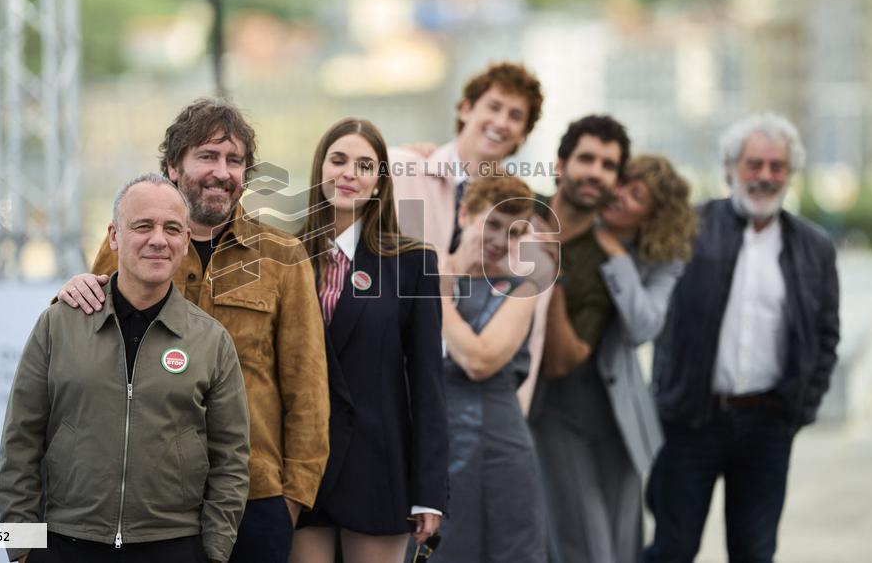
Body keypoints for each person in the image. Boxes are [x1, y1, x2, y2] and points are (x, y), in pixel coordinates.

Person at [56, 99, 330, 563]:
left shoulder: (283, 258)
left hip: (254, 500)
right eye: (207, 156)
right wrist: (73, 289)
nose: (222, 172)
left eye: (235, 160)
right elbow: (94, 354)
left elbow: (308, 393)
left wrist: (291, 501)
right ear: (173, 167)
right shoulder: (131, 243)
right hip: (153, 503)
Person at [0, 174, 251, 563]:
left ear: (185, 241)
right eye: (143, 226)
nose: (158, 240)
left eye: (171, 229)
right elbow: (21, 439)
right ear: (114, 235)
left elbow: (230, 459)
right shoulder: (59, 325)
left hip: (175, 546)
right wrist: (23, 549)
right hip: (68, 542)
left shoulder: (211, 342)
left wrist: (214, 553)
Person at [645, 114, 840, 563]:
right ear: (730, 168)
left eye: (777, 167)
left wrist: (800, 409)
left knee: (755, 552)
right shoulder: (689, 228)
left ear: (790, 174)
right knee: (672, 548)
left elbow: (826, 334)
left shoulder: (814, 246)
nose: (765, 176)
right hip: (690, 419)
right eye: (755, 164)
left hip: (768, 425)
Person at [289, 118, 447, 563]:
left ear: (379, 182)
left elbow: (428, 381)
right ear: (321, 168)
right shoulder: (286, 255)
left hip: (378, 465)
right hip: (303, 468)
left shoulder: (413, 262)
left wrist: (429, 492)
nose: (348, 174)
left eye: (364, 165)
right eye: (338, 160)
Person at [540, 155, 696, 562]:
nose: (620, 195)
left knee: (622, 539)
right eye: (622, 183)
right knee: (582, 538)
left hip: (617, 416)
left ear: (652, 215)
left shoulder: (661, 260)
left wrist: (619, 259)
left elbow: (644, 328)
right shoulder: (572, 226)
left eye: (636, 194)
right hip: (558, 403)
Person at [525, 114, 631, 563]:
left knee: (583, 547)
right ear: (560, 165)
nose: (595, 171)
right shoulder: (517, 206)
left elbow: (563, 360)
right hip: (478, 393)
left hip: (560, 410)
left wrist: (554, 274)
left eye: (608, 165)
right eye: (586, 158)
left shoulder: (604, 259)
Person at [430, 174, 547, 563]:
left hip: (499, 450)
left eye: (514, 233)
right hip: (430, 447)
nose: (500, 240)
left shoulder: (521, 290)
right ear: (464, 213)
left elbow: (479, 361)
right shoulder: (418, 270)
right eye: (493, 224)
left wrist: (441, 299)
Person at [390, 61, 544, 256]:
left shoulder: (521, 216)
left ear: (524, 134)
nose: (500, 122)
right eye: (494, 107)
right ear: (465, 109)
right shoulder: (400, 169)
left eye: (515, 116)